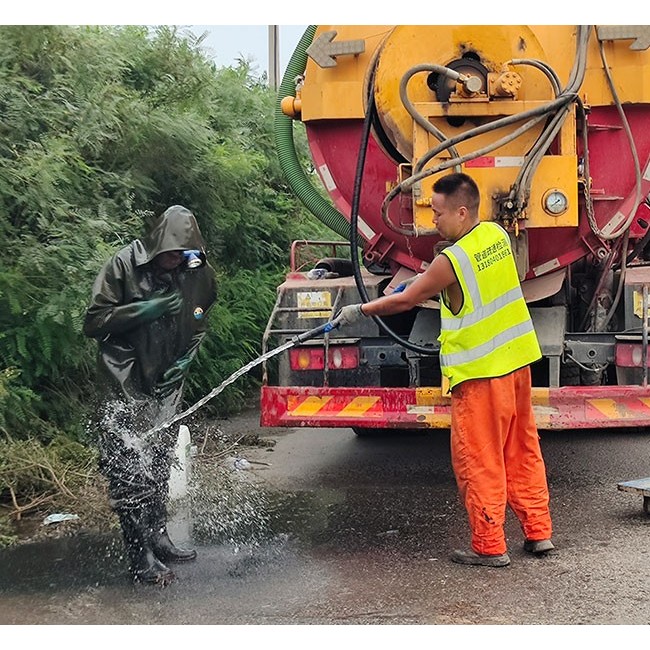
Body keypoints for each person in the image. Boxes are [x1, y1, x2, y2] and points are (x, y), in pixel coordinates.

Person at [335, 172, 554, 567]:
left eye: (437, 213)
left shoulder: (451, 260)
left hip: (480, 373)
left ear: (462, 211)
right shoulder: (496, 237)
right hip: (517, 364)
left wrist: (361, 310)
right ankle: (538, 533)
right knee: (522, 450)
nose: (432, 220)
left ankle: (489, 547)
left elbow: (407, 301)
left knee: (479, 459)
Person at [83, 205, 217, 584]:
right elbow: (93, 323)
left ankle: (159, 537)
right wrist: (147, 308)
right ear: (158, 244)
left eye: (185, 255)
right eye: (173, 254)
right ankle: (139, 556)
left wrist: (185, 360)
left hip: (166, 385)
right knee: (129, 471)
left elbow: (199, 317)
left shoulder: (193, 269)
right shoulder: (123, 265)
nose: (178, 262)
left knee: (159, 463)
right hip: (124, 380)